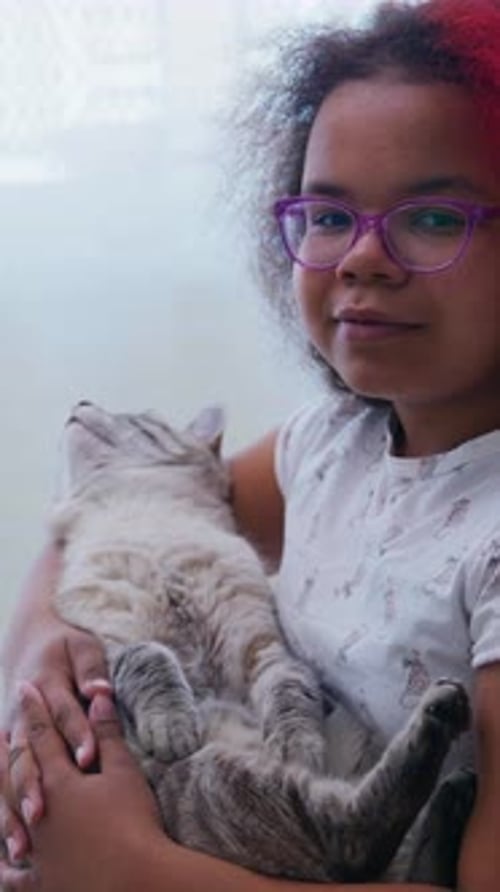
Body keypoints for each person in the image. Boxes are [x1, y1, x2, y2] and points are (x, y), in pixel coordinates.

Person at [1, 0, 500, 889]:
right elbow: (115, 520)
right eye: (327, 216)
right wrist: (43, 647)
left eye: (432, 219)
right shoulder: (329, 445)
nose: (360, 258)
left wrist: (123, 865)